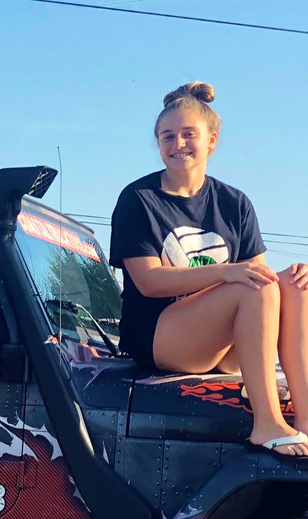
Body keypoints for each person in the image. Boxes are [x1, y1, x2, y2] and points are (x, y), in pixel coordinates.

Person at [110, 81, 308, 457]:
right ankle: (266, 424)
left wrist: (292, 276)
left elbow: (260, 280)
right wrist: (225, 272)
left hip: (223, 345)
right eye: (167, 136)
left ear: (212, 140)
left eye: (189, 134)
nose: (178, 143)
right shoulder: (139, 199)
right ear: (158, 144)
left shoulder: (234, 203)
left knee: (294, 285)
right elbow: (149, 281)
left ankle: (306, 416)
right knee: (252, 284)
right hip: (160, 336)